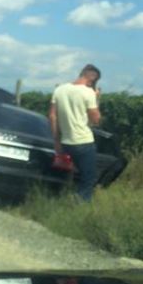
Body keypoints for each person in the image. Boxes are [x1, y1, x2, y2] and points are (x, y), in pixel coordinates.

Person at [49, 64, 101, 202]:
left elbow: (52, 116)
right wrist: (97, 98)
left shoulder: (59, 89)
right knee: (88, 177)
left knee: (66, 172)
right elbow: (96, 120)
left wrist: (56, 141)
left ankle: (60, 197)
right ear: (92, 78)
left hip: (65, 141)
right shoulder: (88, 92)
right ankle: (81, 203)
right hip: (83, 141)